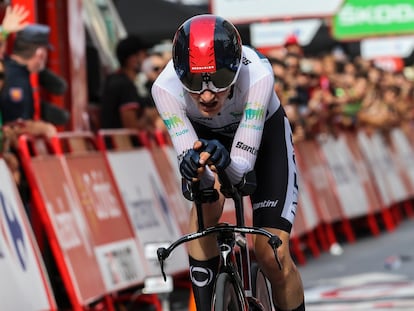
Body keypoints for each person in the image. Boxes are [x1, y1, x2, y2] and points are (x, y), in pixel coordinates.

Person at [152, 14, 305, 311]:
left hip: (263, 140)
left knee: (273, 255)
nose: (207, 94)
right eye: (194, 82)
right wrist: (198, 171)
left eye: (219, 79)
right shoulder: (164, 89)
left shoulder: (258, 76)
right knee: (203, 208)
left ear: (235, 70)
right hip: (206, 137)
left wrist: (226, 164)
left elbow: (241, 172)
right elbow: (199, 173)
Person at [100, 35, 153, 131]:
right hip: (122, 145)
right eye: (144, 55)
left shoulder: (118, 80)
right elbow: (132, 130)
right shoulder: (123, 85)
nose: (147, 59)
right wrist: (150, 115)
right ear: (133, 59)